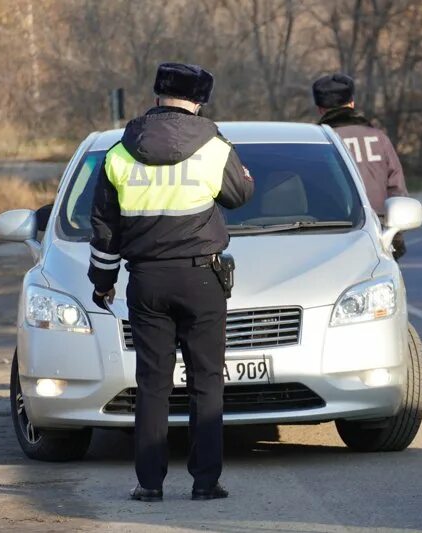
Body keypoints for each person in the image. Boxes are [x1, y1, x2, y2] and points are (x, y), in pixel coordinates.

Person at [87, 62, 254, 502]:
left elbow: (104, 228)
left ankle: (149, 484)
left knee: (153, 383)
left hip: (146, 280)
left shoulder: (119, 153)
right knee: (206, 381)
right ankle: (205, 482)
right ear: (199, 101)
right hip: (202, 277)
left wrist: (102, 281)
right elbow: (240, 196)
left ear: (158, 96)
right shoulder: (214, 147)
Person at [312, 73, 409, 258]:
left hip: (329, 234)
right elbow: (397, 192)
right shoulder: (379, 139)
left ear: (320, 109)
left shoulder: (317, 144)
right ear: (352, 103)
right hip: (378, 232)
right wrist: (396, 236)